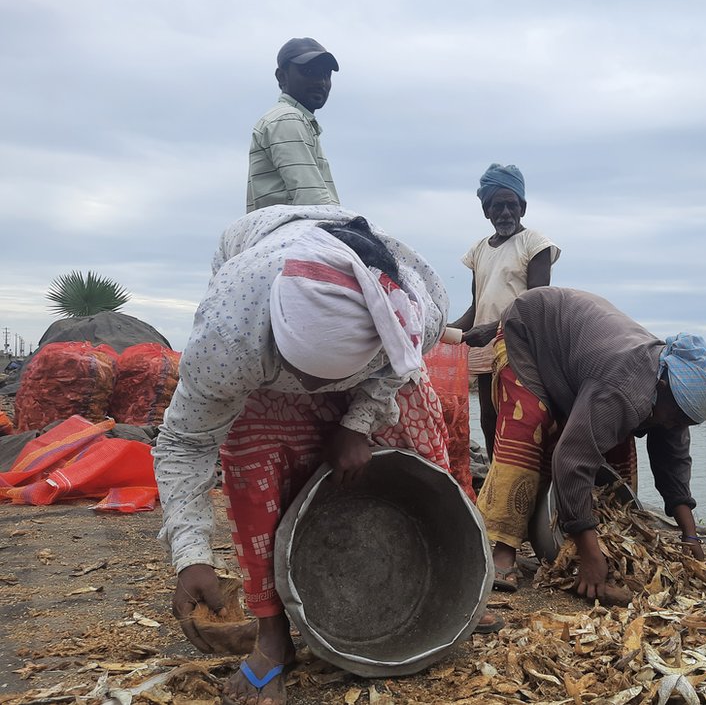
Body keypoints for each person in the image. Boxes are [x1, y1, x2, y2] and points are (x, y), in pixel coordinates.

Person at [153, 206, 494, 705]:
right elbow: (186, 441)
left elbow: (399, 370)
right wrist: (190, 555)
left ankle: (459, 583)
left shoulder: (415, 305)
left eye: (327, 380)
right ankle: (273, 638)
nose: (313, 392)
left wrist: (357, 423)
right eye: (306, 376)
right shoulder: (229, 338)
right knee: (254, 448)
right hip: (260, 317)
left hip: (370, 349)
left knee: (417, 424)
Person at [475, 287, 706, 599]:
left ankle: (589, 538)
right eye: (675, 417)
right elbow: (571, 460)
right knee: (529, 426)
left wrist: (690, 535)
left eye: (684, 423)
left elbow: (673, 460)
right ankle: (503, 551)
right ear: (661, 386)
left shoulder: (671, 397)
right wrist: (591, 557)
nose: (675, 426)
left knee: (616, 447)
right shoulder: (625, 387)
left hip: (582, 359)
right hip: (533, 329)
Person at [450, 163, 559, 460]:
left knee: (524, 417)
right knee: (489, 415)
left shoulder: (535, 244)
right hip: (487, 347)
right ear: (486, 211)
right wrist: (444, 331)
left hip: (521, 344)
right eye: (497, 206)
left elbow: (536, 303)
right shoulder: (478, 250)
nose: (505, 213)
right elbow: (476, 307)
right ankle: (497, 473)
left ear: (523, 207)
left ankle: (531, 476)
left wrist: (494, 329)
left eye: (512, 205)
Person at [246, 38, 341, 213]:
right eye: (309, 71)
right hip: (299, 234)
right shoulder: (288, 119)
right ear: (282, 76)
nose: (320, 82)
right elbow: (313, 202)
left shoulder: (293, 119)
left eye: (325, 74)